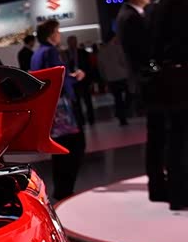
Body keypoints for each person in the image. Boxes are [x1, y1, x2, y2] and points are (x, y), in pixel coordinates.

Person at [116, 0, 167, 201]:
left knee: (158, 135)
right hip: (148, 84)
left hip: (147, 83)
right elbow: (144, 53)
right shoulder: (130, 18)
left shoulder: (132, 15)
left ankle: (159, 184)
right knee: (157, 136)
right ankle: (158, 186)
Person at [30, 20, 86, 202]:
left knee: (61, 148)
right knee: (74, 146)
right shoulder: (51, 52)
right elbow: (57, 79)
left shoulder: (37, 54)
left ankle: (62, 189)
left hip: (50, 106)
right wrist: (75, 78)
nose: (59, 34)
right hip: (61, 106)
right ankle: (65, 189)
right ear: (51, 34)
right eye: (57, 31)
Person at [149, 0, 188, 210]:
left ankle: (177, 193)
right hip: (183, 77)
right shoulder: (181, 4)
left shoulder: (156, 7)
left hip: (167, 79)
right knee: (182, 137)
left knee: (176, 136)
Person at [97, 35, 130, 126]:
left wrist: (104, 77)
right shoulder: (118, 48)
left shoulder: (101, 51)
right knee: (128, 94)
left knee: (117, 98)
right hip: (122, 75)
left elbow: (101, 67)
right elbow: (123, 61)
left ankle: (121, 118)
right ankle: (125, 111)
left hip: (110, 77)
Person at [65, 35, 95, 126]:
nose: (72, 43)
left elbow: (89, 67)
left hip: (84, 80)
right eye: (70, 42)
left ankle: (91, 119)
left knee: (87, 100)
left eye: (74, 41)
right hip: (73, 81)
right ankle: (80, 120)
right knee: (76, 102)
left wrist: (90, 80)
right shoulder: (65, 54)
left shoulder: (83, 52)